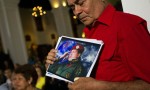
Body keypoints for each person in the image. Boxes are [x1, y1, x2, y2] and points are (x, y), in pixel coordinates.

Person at [46, 0, 150, 89]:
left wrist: (103, 87)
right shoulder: (89, 31)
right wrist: (55, 63)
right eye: (72, 7)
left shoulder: (128, 25)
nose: (76, 12)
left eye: (81, 3)